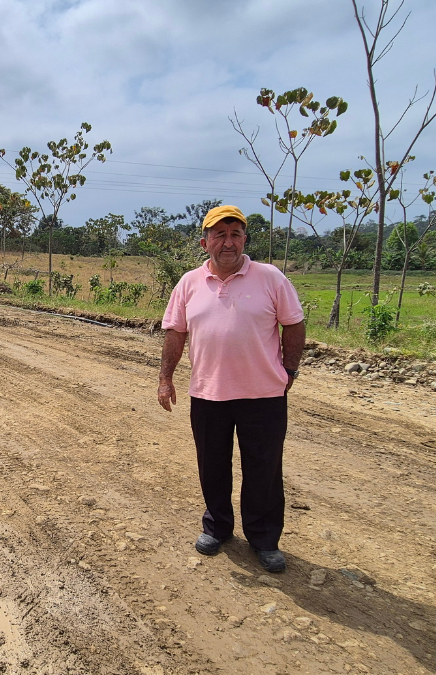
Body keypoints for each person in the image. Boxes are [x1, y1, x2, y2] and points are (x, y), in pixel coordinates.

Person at [157, 205, 305, 573]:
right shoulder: (189, 283)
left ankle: (264, 538)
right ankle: (218, 527)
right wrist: (165, 378)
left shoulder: (271, 278)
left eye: (235, 234)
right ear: (205, 242)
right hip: (208, 393)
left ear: (244, 240)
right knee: (212, 465)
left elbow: (294, 324)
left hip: (264, 395)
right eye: (220, 234)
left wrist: (289, 371)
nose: (228, 242)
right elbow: (176, 332)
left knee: (264, 469)